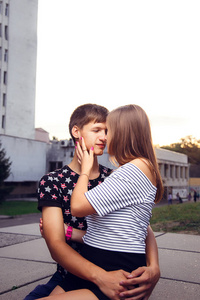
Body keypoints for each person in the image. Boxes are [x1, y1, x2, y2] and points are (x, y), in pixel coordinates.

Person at [24, 104, 160, 300]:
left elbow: (141, 226)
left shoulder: (114, 177)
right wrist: (101, 277)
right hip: (72, 274)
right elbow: (56, 245)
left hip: (113, 270)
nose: (104, 137)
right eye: (97, 130)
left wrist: (154, 266)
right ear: (76, 132)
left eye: (107, 130)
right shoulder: (53, 181)